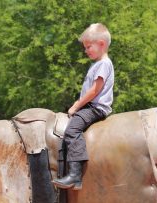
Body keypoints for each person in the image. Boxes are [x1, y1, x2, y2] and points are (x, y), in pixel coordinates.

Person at [52, 23, 114, 190]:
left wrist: (77, 106)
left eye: (88, 46)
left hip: (95, 108)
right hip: (91, 106)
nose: (86, 51)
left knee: (72, 131)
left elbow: (95, 90)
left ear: (101, 44)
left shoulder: (103, 64)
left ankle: (75, 176)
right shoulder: (98, 64)